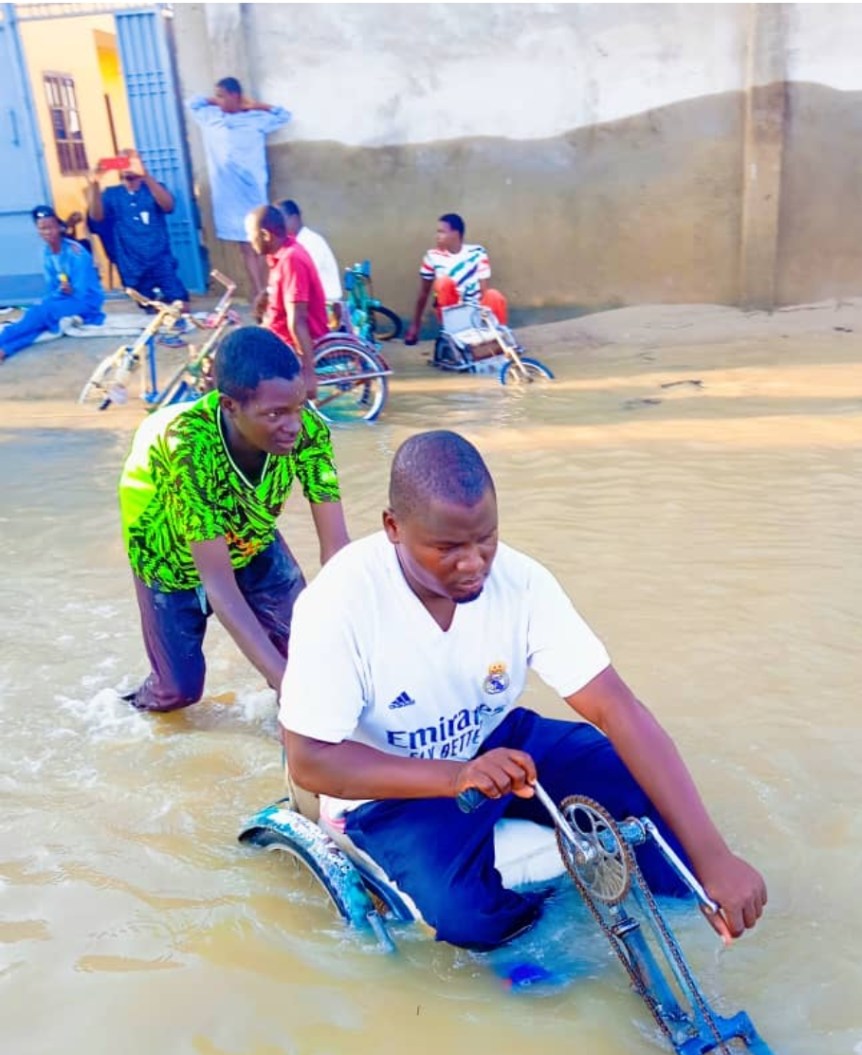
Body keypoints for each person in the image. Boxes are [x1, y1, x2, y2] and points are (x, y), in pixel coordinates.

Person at [278, 431, 767, 952]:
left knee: (636, 782)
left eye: (485, 539)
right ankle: (549, 955)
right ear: (393, 528)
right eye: (447, 548)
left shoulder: (522, 580)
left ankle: (683, 896)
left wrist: (714, 858)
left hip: (496, 740)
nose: (474, 563)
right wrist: (457, 777)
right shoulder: (340, 604)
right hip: (393, 785)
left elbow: (615, 706)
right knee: (470, 921)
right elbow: (310, 761)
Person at [119, 325, 350, 712]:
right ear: (229, 406)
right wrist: (287, 685)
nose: (293, 425)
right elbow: (219, 586)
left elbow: (337, 549)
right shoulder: (188, 448)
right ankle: (130, 704)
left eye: (298, 407)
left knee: (309, 655)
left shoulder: (309, 431)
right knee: (178, 692)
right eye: (275, 414)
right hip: (171, 556)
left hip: (251, 537)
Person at [186, 77, 292, 304]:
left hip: (252, 191)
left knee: (261, 241)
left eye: (222, 95)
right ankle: (257, 290)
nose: (219, 100)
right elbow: (192, 103)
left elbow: (284, 115)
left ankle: (268, 290)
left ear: (235, 95)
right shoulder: (211, 117)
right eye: (217, 96)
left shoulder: (255, 119)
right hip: (228, 193)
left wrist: (256, 105)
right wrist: (212, 101)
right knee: (244, 245)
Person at [0, 206, 105, 363]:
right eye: (43, 229)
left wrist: (63, 292)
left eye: (51, 227)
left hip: (86, 301)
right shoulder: (46, 253)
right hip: (61, 300)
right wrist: (57, 293)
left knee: (41, 313)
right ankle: (5, 350)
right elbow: (51, 287)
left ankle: (4, 339)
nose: (47, 232)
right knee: (38, 318)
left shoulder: (76, 253)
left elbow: (81, 292)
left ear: (59, 228)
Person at [85, 151, 190, 306]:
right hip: (131, 264)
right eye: (122, 162)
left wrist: (145, 175)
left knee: (180, 302)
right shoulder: (111, 194)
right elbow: (96, 217)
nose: (127, 166)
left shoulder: (154, 189)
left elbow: (168, 206)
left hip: (160, 259)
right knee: (147, 306)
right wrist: (94, 184)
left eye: (130, 162)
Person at [246, 204, 327, 400]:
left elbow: (297, 320)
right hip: (275, 333)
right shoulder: (279, 254)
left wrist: (309, 373)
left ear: (265, 235)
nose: (249, 240)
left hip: (287, 341)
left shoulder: (292, 260)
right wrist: (265, 296)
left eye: (251, 234)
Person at [404, 213, 508, 346]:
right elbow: (423, 293)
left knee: (494, 295)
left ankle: (499, 338)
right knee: (443, 283)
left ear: (455, 234)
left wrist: (482, 313)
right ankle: (453, 336)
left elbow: (483, 291)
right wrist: (415, 325)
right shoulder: (432, 257)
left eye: (442, 232)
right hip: (451, 313)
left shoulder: (477, 253)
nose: (437, 236)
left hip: (475, 311)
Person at [276, 198, 342, 310]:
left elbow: (301, 280)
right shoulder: (291, 243)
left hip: (325, 304)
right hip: (307, 301)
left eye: (280, 221)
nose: (277, 227)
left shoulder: (311, 242)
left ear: (294, 219)